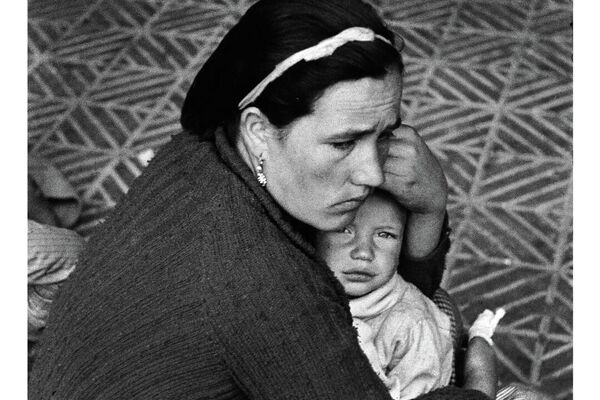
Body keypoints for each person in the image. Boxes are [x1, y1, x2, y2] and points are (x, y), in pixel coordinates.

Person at [29, 1, 490, 399]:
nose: (372, 172)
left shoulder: (201, 150)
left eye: (385, 133)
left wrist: (430, 202)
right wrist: (481, 384)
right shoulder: (266, 285)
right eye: (343, 143)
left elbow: (397, 286)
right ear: (258, 131)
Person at [316, 190, 503, 400]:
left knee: (481, 379)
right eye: (344, 230)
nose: (364, 252)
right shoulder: (302, 287)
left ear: (401, 245)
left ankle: (480, 349)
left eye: (385, 235)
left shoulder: (412, 326)